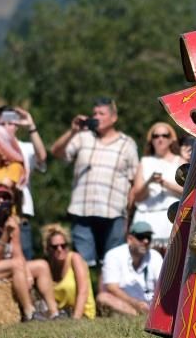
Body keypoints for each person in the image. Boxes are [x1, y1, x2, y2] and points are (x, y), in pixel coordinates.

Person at [51, 98, 139, 268]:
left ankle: (106, 295)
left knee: (112, 265)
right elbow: (56, 152)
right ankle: (86, 294)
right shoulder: (82, 137)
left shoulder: (127, 144)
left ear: (113, 118)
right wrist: (72, 131)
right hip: (82, 211)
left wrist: (128, 215)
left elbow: (133, 182)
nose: (96, 117)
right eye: (94, 114)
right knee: (83, 265)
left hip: (114, 213)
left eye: (101, 113)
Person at [0, 185, 60, 321]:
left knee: (42, 266)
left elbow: (18, 254)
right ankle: (29, 312)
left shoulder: (11, 222)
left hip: (2, 265)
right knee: (16, 265)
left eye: (6, 198)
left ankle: (54, 312)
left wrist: (28, 274)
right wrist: (6, 234)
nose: (1, 201)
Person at [0, 106, 47, 260]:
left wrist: (31, 126)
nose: (6, 127)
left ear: (16, 125)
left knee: (24, 262)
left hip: (21, 214)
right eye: (2, 124)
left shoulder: (26, 148)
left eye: (10, 123)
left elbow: (42, 157)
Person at [131, 122, 184, 251]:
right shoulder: (144, 162)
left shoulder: (180, 162)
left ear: (171, 139)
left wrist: (165, 183)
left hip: (171, 216)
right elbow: (137, 196)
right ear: (151, 140)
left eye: (164, 135)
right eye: (156, 136)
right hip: (147, 216)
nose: (160, 139)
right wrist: (149, 182)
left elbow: (188, 192)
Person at [96, 221, 163, 316]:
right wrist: (136, 304)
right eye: (141, 237)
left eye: (148, 237)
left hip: (151, 304)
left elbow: (163, 285)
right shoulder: (113, 255)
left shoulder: (155, 256)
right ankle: (138, 314)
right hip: (126, 303)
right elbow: (112, 288)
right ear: (129, 239)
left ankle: (149, 315)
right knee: (102, 297)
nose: (146, 241)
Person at [43, 224, 96, 320]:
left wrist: (76, 319)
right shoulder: (46, 267)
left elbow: (83, 291)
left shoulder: (75, 259)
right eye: (55, 247)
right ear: (47, 249)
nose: (59, 249)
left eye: (63, 246)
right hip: (61, 316)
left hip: (83, 314)